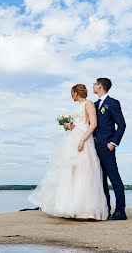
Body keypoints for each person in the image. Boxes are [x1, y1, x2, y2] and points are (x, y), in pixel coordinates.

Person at [27, 84, 108, 220]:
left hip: (83, 139)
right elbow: (76, 123)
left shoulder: (88, 104)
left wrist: (82, 140)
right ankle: (71, 207)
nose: (71, 95)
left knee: (84, 172)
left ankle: (87, 210)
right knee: (71, 172)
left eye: (72, 93)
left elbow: (93, 124)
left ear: (76, 93)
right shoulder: (78, 107)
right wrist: (68, 125)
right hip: (72, 139)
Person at [90, 78, 127, 220]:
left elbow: (122, 125)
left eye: (94, 84)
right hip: (94, 147)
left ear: (100, 86)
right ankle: (106, 208)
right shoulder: (94, 105)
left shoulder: (112, 103)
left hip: (107, 147)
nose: (93, 86)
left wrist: (113, 143)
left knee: (114, 178)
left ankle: (120, 211)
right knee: (101, 180)